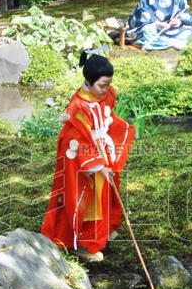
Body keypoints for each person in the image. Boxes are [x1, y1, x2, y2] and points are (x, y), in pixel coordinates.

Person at [41, 52, 134, 263]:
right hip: (78, 153)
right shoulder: (78, 107)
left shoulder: (107, 94)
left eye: (108, 84)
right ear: (88, 82)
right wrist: (97, 165)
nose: (106, 89)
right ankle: (83, 242)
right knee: (85, 195)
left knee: (106, 190)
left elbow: (107, 114)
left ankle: (102, 231)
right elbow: (78, 139)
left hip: (99, 147)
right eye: (102, 85)